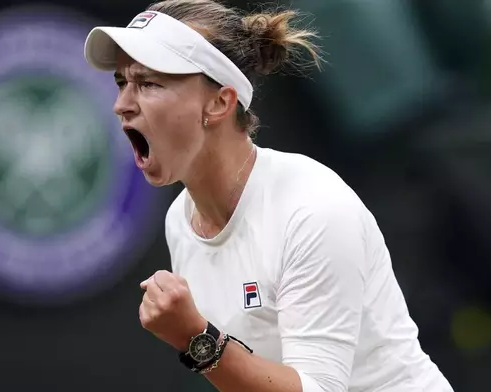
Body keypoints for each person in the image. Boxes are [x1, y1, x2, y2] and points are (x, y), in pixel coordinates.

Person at [84, 0, 454, 391]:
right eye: (122, 82)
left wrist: (196, 339)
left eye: (149, 83)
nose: (121, 105)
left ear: (219, 102)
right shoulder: (181, 219)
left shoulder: (313, 210)